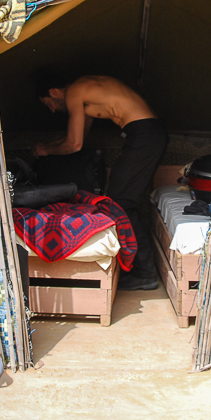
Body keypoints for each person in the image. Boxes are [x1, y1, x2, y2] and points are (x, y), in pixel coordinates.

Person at [34, 74, 167, 290]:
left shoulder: (75, 91)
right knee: (119, 199)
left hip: (145, 135)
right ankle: (140, 270)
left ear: (53, 92)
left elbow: (74, 145)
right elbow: (78, 137)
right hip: (145, 134)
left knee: (121, 202)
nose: (51, 109)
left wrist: (47, 150)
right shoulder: (85, 91)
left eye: (48, 104)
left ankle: (145, 273)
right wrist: (49, 146)